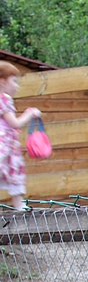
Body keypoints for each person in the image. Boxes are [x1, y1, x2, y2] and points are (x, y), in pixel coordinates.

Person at [0, 61, 41, 211]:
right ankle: (18, 205)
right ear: (3, 81)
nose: (17, 86)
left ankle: (19, 205)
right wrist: (30, 114)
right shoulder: (4, 99)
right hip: (5, 145)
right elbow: (15, 124)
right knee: (13, 171)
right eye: (14, 81)